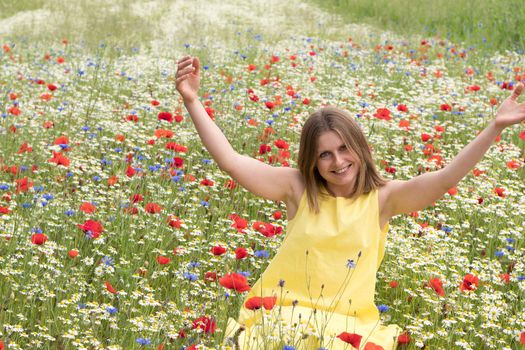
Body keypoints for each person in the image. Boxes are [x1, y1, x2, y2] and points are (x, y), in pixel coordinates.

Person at [175, 55, 525, 349]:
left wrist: (494, 127)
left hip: (347, 328)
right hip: (279, 314)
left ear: (360, 148)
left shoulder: (384, 198)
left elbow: (445, 178)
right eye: (324, 154)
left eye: (344, 149)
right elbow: (231, 161)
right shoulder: (297, 188)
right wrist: (192, 100)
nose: (337, 161)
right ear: (311, 161)